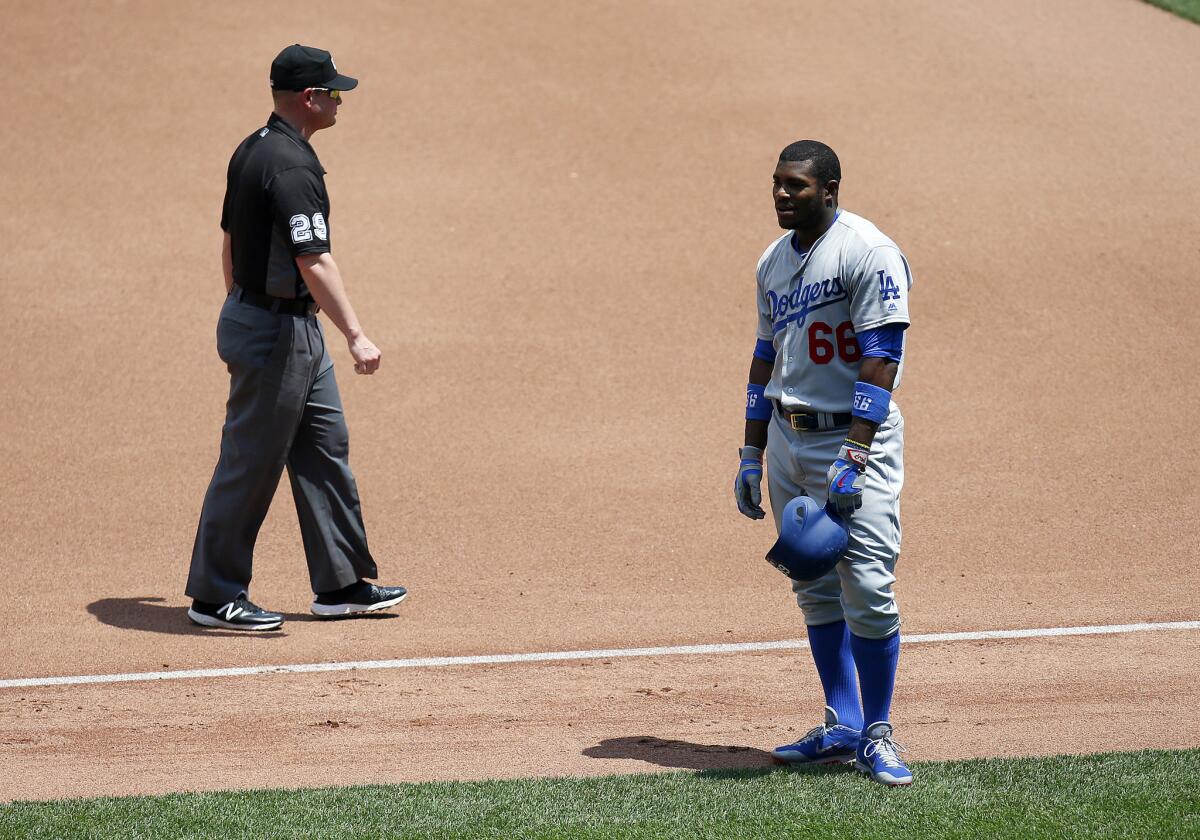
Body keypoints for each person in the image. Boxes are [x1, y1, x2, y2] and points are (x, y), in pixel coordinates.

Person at [185, 44, 407, 631]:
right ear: (309, 99)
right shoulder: (290, 167)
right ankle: (214, 596)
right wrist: (356, 335)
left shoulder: (253, 148)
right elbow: (314, 259)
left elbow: (230, 240)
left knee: (325, 449)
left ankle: (341, 585)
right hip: (275, 335)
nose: (340, 101)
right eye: (334, 92)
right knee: (250, 463)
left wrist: (239, 301)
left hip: (285, 328)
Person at [733, 140, 914, 785]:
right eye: (777, 183)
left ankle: (879, 731)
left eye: (796, 186)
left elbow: (881, 357)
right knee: (811, 579)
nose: (782, 194)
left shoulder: (867, 252)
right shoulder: (771, 263)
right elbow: (763, 359)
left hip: (852, 442)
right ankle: (841, 720)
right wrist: (751, 452)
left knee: (866, 586)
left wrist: (857, 450)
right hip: (788, 437)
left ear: (830, 188)